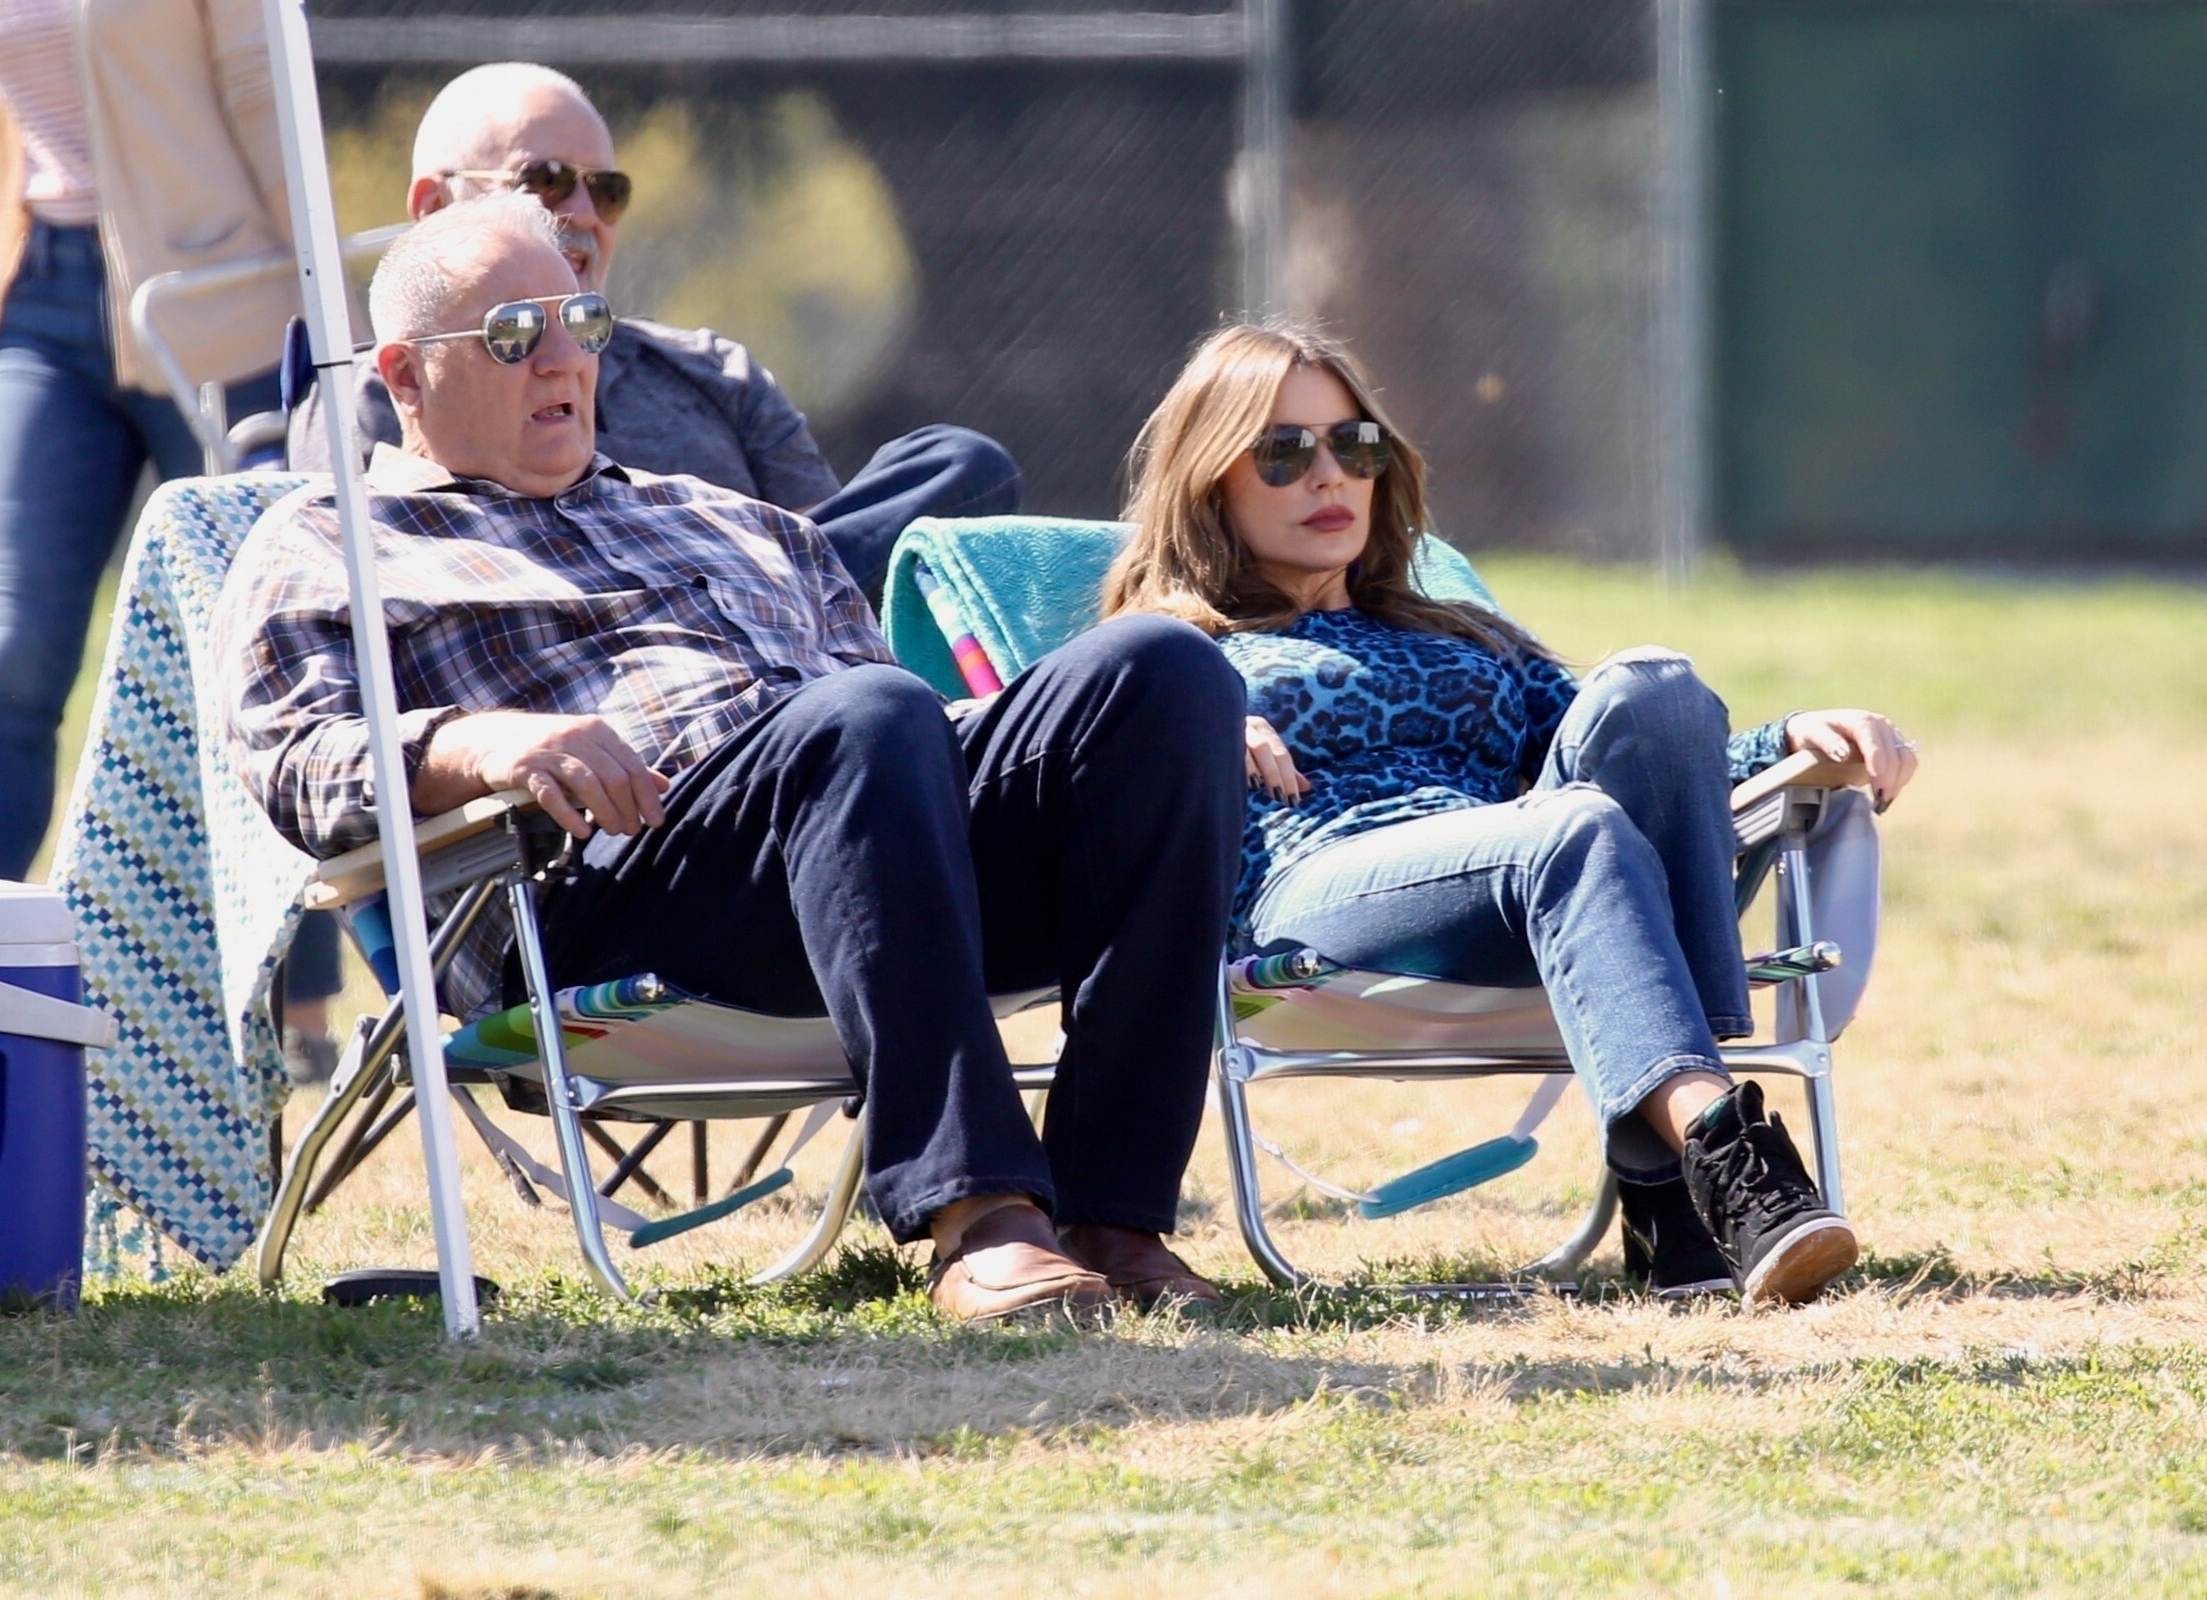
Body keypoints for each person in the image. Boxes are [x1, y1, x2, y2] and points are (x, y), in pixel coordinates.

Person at [219, 196, 1245, 1320]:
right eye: (513, 334)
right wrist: (479, 743)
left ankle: (1114, 1217)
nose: (562, 359)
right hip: (602, 887)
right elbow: (296, 761)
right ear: (406, 377)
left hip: (862, 860)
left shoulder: (735, 519)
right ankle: (981, 1213)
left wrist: (1106, 752)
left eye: (582, 322)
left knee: (1164, 670)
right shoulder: (333, 539)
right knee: (861, 714)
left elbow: (903, 733)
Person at [1104, 324, 1922, 1306]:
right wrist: (1177, 713)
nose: (1329, 476)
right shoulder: (1168, 653)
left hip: (1527, 881)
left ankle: (1670, 1194)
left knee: (1655, 685)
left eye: (1355, 445)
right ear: (1210, 482)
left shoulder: (1458, 633)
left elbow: (1637, 755)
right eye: (1283, 452)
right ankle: (1714, 1159)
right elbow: (1044, 761)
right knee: (1571, 827)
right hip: (1318, 898)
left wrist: (1794, 743)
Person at [286, 61, 1020, 609]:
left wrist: (738, 582)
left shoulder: (711, 369)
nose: (581, 212)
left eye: (606, 189)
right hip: (572, 652)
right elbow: (361, 584)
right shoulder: (395, 380)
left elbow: (826, 548)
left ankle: (733, 607)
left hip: (781, 655)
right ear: (433, 205)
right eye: (543, 181)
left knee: (964, 464)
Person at [0, 0, 294, 881]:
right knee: (11, 663)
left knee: (260, 673)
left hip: (216, 307)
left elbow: (262, 92)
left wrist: (330, 318)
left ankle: (290, 970)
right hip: (37, 312)